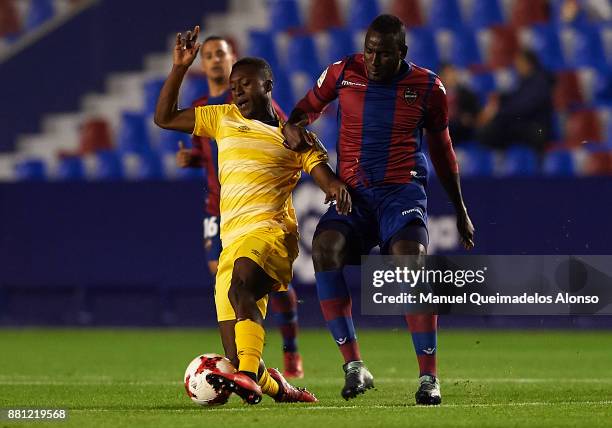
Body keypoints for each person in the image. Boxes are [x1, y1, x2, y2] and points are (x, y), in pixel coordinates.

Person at [283, 14, 475, 405]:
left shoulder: (427, 86)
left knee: (410, 261)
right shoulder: (342, 72)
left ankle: (428, 378)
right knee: (325, 248)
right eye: (369, 51)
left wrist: (459, 207)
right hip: (354, 195)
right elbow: (303, 111)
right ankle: (355, 367)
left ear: (401, 53)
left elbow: (442, 149)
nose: (373, 60)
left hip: (401, 195)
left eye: (383, 54)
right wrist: (294, 127)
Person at [154, 25, 352, 404]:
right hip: (233, 239)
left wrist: (336, 188)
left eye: (246, 83)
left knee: (242, 286)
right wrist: (180, 67)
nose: (238, 90)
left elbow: (324, 176)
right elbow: (164, 118)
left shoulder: (293, 136)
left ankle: (247, 375)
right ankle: (278, 386)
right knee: (237, 351)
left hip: (271, 234)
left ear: (268, 86)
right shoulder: (222, 118)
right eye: (234, 85)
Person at [175, 35, 305, 378]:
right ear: (203, 65)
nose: (215, 60)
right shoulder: (206, 105)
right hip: (218, 206)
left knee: (255, 279)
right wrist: (194, 159)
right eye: (209, 56)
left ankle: (290, 348)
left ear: (232, 57)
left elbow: (280, 147)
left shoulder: (260, 107)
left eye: (221, 54)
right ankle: (255, 367)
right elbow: (210, 151)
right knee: (224, 274)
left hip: (257, 210)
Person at [477, 49, 554, 153]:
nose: (516, 67)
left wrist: (496, 114)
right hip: (525, 125)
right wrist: (500, 99)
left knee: (491, 131)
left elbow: (523, 106)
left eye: (518, 63)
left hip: (537, 129)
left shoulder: (539, 83)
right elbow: (516, 99)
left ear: (528, 63)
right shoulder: (527, 81)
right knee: (491, 131)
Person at [438, 62, 481, 144]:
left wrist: (469, 118)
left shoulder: (467, 94)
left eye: (452, 72)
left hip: (463, 131)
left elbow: (475, 113)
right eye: (447, 74)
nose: (451, 77)